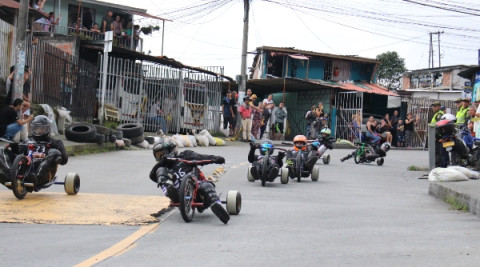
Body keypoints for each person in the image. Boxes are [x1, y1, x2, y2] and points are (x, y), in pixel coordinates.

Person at [148, 138, 229, 224]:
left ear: (171, 150)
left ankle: (216, 204)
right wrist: (162, 163)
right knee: (160, 171)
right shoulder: (163, 166)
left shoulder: (185, 155)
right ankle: (171, 191)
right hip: (178, 191)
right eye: (158, 155)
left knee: (206, 186)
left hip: (197, 185)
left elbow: (200, 157)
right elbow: (152, 176)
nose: (161, 157)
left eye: (163, 153)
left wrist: (215, 159)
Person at [23, 115, 68, 185]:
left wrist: (57, 155)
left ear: (48, 129)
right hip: (26, 167)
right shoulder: (27, 141)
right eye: (36, 128)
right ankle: (9, 174)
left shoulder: (54, 142)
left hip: (46, 173)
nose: (39, 131)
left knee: (54, 152)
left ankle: (37, 177)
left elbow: (64, 160)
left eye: (42, 128)